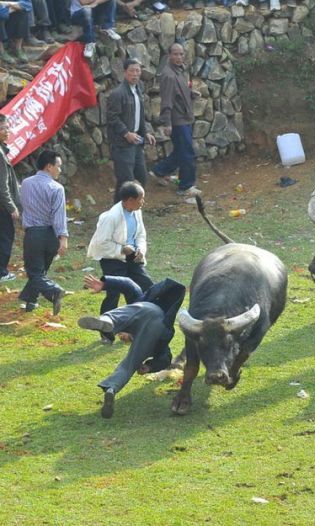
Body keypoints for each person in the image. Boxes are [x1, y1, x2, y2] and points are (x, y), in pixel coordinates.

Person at [79, 274, 185, 418]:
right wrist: (150, 366)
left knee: (125, 314)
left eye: (121, 336)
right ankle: (112, 388)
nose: (121, 338)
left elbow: (129, 284)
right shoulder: (154, 338)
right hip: (158, 328)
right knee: (130, 364)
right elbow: (166, 356)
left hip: (148, 308)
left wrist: (106, 284)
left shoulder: (140, 302)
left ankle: (108, 321)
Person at [87, 181, 153, 343]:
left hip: (131, 257)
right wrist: (121, 250)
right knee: (113, 293)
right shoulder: (111, 217)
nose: (143, 202)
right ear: (130, 200)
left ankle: (137, 326)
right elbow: (102, 242)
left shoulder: (136, 212)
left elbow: (141, 235)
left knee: (146, 285)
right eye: (141, 199)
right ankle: (105, 331)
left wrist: (140, 251)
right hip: (112, 260)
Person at [150, 42, 202, 197]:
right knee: (187, 153)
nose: (179, 57)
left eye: (181, 54)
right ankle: (186, 186)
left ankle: (160, 171)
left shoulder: (179, 71)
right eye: (176, 54)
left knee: (180, 151)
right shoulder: (168, 75)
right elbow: (166, 100)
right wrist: (167, 123)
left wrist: (191, 93)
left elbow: (179, 92)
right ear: (169, 55)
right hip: (177, 120)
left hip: (184, 117)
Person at [18, 150, 67, 315]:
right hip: (51, 236)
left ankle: (55, 290)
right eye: (58, 166)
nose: (60, 170)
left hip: (33, 235)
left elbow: (23, 206)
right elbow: (59, 216)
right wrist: (63, 238)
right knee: (40, 272)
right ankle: (29, 300)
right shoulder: (57, 188)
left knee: (35, 273)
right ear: (49, 166)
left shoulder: (26, 183)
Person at [106, 58, 156, 203]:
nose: (135, 74)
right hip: (122, 144)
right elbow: (112, 118)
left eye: (138, 71)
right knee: (125, 180)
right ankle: (119, 211)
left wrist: (144, 132)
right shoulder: (118, 93)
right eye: (132, 71)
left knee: (141, 177)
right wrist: (126, 133)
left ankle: (129, 207)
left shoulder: (137, 90)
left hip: (136, 143)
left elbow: (138, 115)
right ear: (125, 73)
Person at [0, 115, 21, 284]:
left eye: (7, 127)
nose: (8, 131)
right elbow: (2, 186)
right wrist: (12, 207)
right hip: (2, 207)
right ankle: (2, 272)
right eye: (4, 128)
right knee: (5, 237)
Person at [0, 0, 31, 64]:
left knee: (22, 11)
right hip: (3, 10)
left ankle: (18, 48)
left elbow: (27, 4)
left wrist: (9, 4)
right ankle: (1, 51)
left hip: (6, 7)